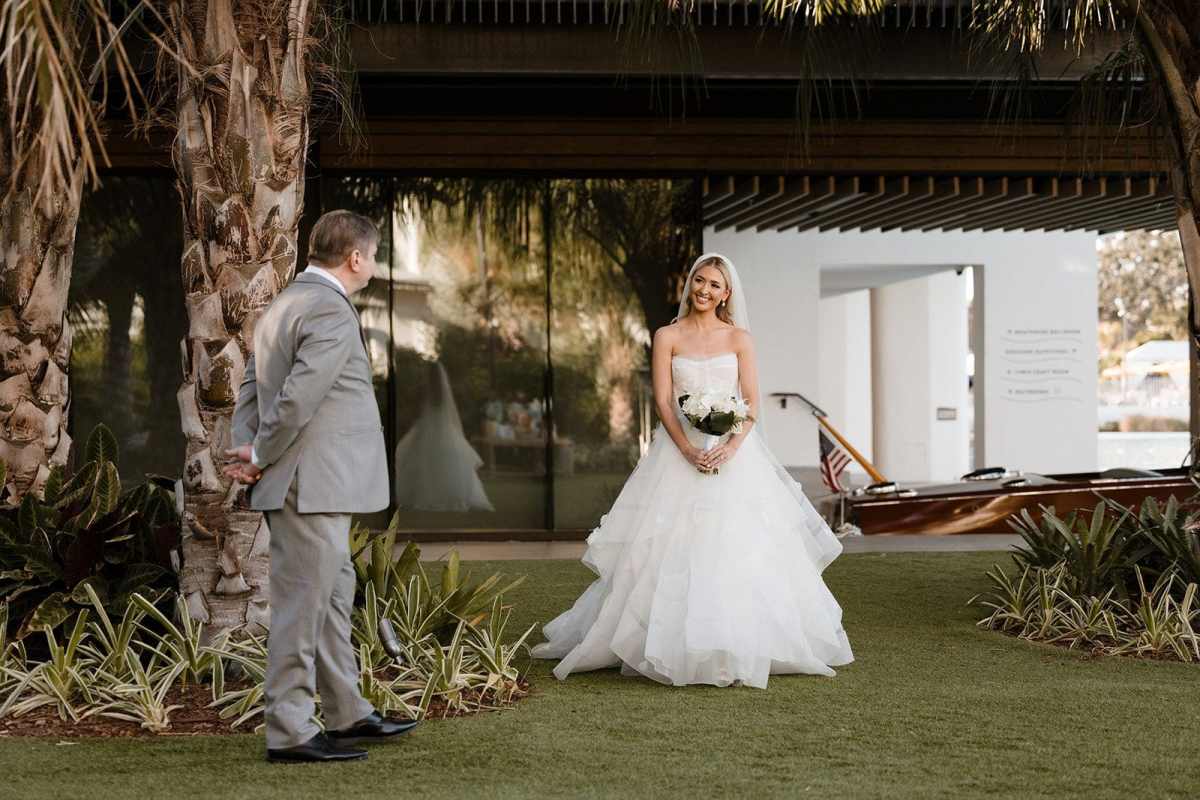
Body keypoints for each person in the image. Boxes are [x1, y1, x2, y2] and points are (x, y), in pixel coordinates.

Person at [531, 253, 854, 688]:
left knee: (737, 546)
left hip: (733, 456)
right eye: (699, 281)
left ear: (726, 294)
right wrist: (686, 449)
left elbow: (751, 402)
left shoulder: (740, 338)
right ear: (690, 285)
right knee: (667, 546)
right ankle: (659, 642)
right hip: (678, 452)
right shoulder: (667, 335)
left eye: (714, 285)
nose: (704, 290)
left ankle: (735, 642)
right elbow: (664, 401)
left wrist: (731, 447)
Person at [224, 210, 418, 763]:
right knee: (301, 606)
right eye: (373, 256)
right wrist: (261, 453)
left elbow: (249, 389)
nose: (373, 265)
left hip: (309, 482)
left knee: (334, 598)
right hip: (313, 486)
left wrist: (254, 452)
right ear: (355, 258)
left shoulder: (281, 305)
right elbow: (300, 397)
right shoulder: (330, 310)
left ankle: (347, 711)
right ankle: (289, 729)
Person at [392, 360, 494, 512]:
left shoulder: (425, 389)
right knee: (439, 460)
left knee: (423, 459)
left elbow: (420, 409)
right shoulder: (440, 391)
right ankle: (446, 494)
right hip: (440, 426)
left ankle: (426, 495)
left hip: (428, 425)